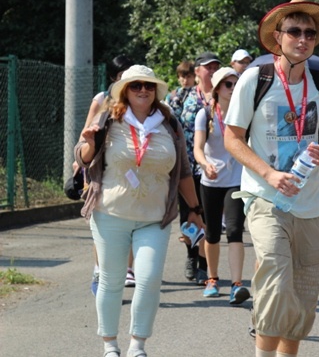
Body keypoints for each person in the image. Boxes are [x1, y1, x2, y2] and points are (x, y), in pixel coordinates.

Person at [224, 0, 319, 357]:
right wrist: (269, 174)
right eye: (294, 31)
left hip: (308, 204)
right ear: (278, 37)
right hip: (264, 197)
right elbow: (232, 138)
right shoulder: (254, 79)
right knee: (275, 277)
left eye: (309, 32)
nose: (302, 38)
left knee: (304, 294)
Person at [75, 65, 205, 357]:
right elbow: (83, 158)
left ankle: (137, 345)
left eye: (148, 85)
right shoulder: (109, 118)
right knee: (111, 280)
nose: (143, 90)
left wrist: (195, 209)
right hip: (110, 213)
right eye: (136, 86)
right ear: (124, 90)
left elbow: (183, 170)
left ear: (155, 90)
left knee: (148, 279)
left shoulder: (168, 123)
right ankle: (109, 345)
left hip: (155, 217)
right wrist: (90, 144)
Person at [193, 66, 250, 303]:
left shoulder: (246, 113)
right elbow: (197, 148)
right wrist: (206, 164)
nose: (233, 88)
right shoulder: (204, 114)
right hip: (211, 181)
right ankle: (212, 278)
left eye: (236, 84)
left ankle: (237, 284)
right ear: (217, 89)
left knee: (235, 230)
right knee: (213, 232)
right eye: (228, 84)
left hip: (237, 181)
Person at [83, 54, 136, 295]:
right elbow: (86, 133)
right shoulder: (102, 99)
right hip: (99, 169)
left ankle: (126, 269)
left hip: (129, 171)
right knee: (101, 224)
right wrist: (80, 161)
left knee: (130, 220)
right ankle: (99, 270)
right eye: (125, 74)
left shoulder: (139, 100)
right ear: (115, 77)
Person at [168, 51, 222, 285]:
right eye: (207, 67)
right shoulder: (181, 96)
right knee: (189, 213)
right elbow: (170, 125)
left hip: (216, 168)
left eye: (215, 67)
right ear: (197, 71)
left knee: (209, 216)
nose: (211, 70)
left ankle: (204, 264)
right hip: (187, 166)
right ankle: (191, 257)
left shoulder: (225, 95)